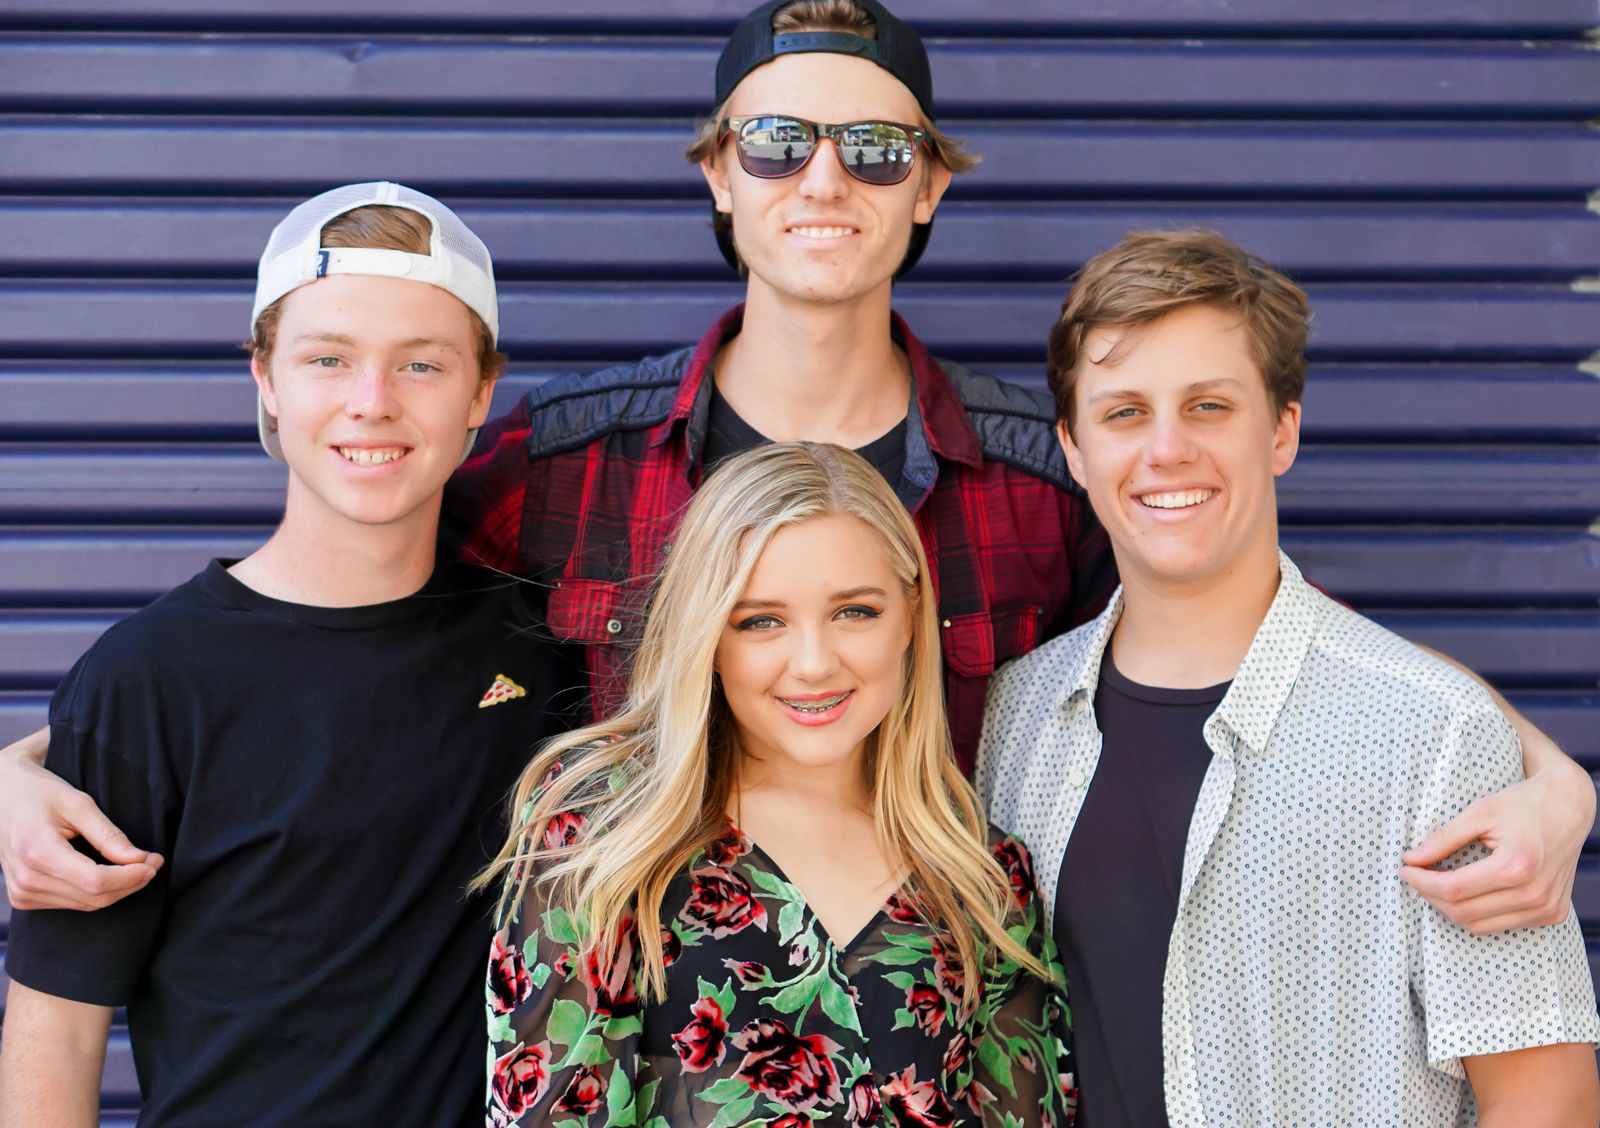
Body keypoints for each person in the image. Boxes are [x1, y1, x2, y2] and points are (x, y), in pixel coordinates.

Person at [0, 0, 1589, 953]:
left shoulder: (1041, 482)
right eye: (777, 143)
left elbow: (1268, 641)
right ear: (719, 174)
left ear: (929, 191)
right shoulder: (563, 465)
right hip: (629, 1045)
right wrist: (41, 755)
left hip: (947, 1038)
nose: (825, 176)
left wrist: (1548, 776)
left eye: (876, 149)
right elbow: (320, 628)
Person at [977, 230, 1600, 1126]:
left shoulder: (1436, 735)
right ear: (1074, 450)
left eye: (1208, 406)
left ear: (1282, 431)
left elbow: (1548, 1102)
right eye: (1125, 413)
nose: (1166, 448)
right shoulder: (1016, 719)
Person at [0, 184, 580, 1127]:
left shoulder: (542, 650)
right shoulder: (150, 677)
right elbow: (58, 1034)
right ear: (266, 379)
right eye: (327, 359)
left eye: (421, 364)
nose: (371, 403)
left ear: (481, 391)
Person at [479, 441, 1073, 1126]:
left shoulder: (983, 877)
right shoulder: (604, 833)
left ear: (910, 616)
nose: (814, 663)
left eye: (855, 612)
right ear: (707, 634)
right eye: (761, 621)